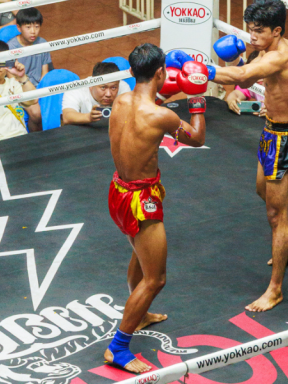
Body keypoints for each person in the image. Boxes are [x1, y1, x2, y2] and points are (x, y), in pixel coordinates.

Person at [105, 43, 207, 373]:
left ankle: (141, 313)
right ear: (161, 72)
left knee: (140, 251)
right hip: (141, 200)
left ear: (132, 72)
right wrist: (197, 98)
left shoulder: (120, 100)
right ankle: (118, 348)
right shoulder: (162, 115)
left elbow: (145, 112)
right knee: (157, 279)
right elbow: (197, 138)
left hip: (118, 190)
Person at [211, 0, 288, 312]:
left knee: (275, 214)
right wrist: (242, 59)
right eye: (249, 30)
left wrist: (197, 68)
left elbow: (241, 78)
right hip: (271, 131)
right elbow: (249, 76)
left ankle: (276, 289)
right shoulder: (267, 49)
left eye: (257, 31)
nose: (250, 36)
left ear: (277, 30)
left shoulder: (281, 56)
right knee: (262, 191)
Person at [225, 51, 288, 142]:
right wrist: (232, 99)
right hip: (282, 134)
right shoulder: (256, 85)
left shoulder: (286, 88)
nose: (258, 77)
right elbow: (237, 93)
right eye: (254, 74)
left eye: (261, 73)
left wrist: (274, 113)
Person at [61, 61, 130, 125]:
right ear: (92, 84)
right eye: (103, 87)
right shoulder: (75, 90)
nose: (108, 94)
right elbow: (67, 116)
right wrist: (88, 117)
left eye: (113, 88)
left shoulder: (123, 87)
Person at [7, 8, 51, 86]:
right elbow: (11, 76)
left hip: (39, 87)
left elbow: (45, 73)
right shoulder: (10, 47)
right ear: (19, 27)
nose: (33, 31)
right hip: (20, 87)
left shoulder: (43, 43)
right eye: (28, 27)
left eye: (36, 27)